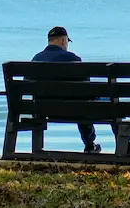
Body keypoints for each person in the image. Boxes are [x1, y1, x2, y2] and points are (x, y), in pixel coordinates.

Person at [32, 26, 101, 154]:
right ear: (64, 41)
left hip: (42, 110)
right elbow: (86, 88)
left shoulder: (36, 59)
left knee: (82, 102)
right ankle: (90, 144)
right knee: (103, 102)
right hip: (74, 109)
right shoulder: (72, 59)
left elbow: (28, 84)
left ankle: (34, 149)